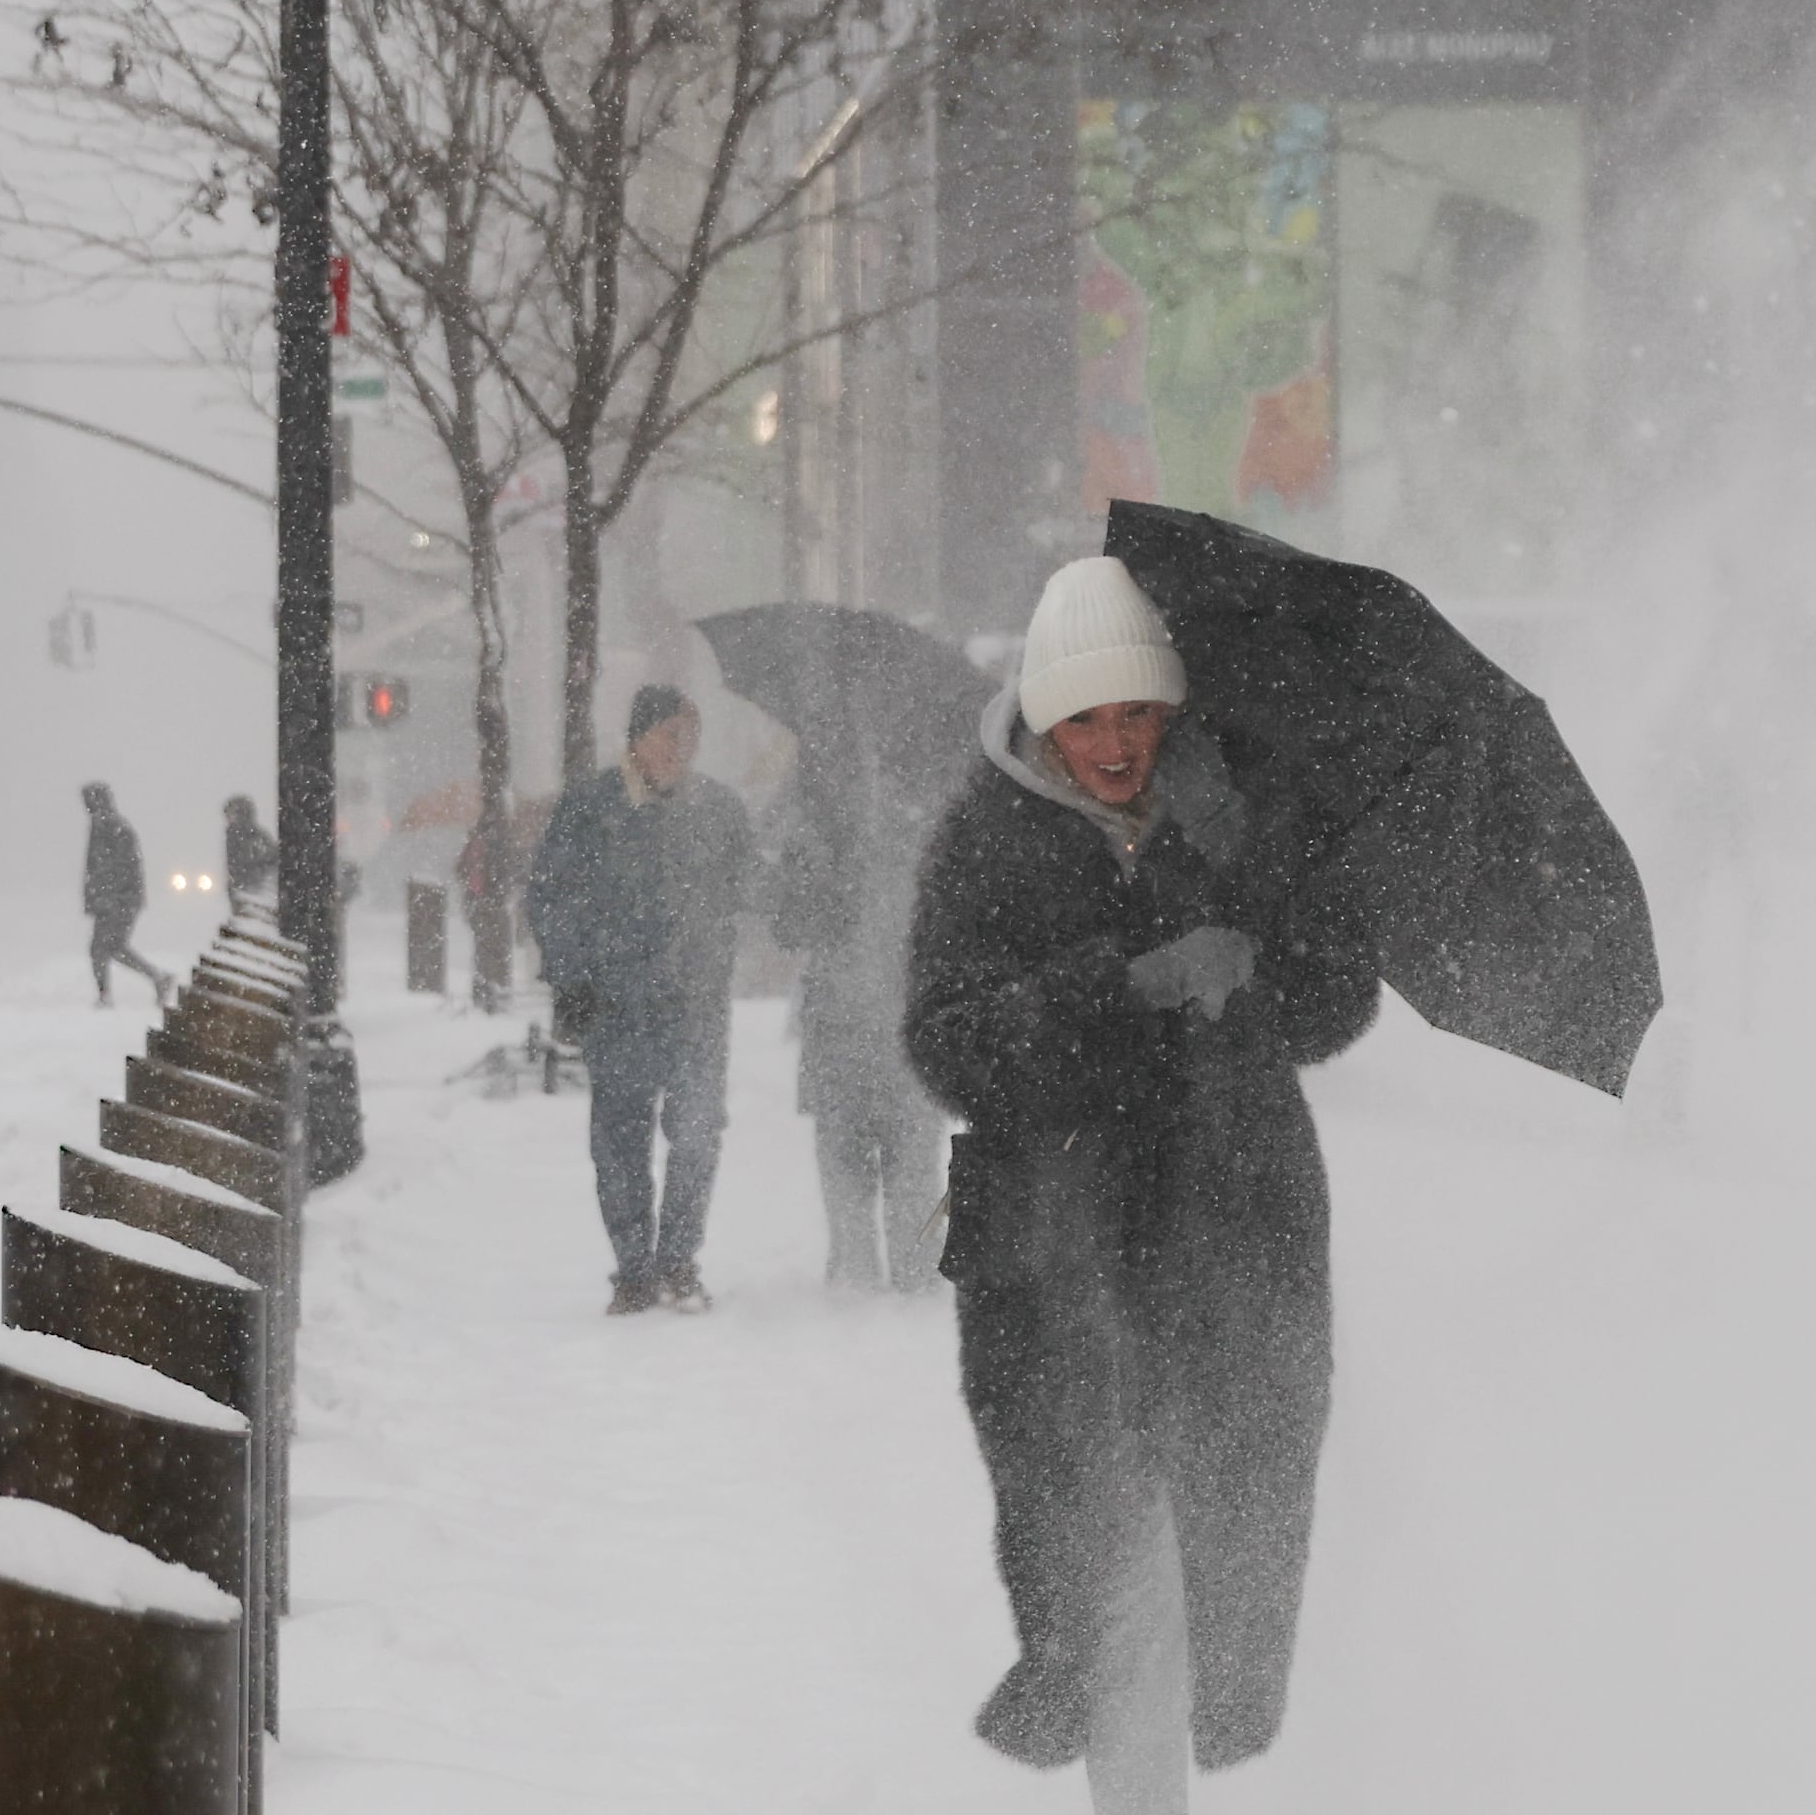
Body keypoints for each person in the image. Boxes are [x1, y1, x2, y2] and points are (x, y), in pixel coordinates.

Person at [903, 555, 1379, 1784]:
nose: (1115, 742)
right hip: (1045, 1250)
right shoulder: (980, 837)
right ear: (1043, 718)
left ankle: (1181, 1736)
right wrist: (1115, 990)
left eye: (1137, 713)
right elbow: (944, 1040)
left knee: (1222, 1545)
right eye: (1086, 718)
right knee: (1104, 1568)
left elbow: (1335, 1007)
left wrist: (1260, 963)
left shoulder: (1242, 816)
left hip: (1234, 1221)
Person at [527, 684, 755, 1315]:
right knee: (620, 1141)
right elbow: (549, 896)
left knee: (697, 1133)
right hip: (618, 1006)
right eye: (671, 734)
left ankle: (678, 1262)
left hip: (697, 1005)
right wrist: (574, 975)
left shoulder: (718, 811)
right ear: (638, 738)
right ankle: (633, 1268)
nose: (683, 749)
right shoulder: (591, 808)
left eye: (692, 735)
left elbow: (752, 889)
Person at [773, 770, 948, 1292]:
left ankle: (903, 1280)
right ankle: (864, 1284)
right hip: (845, 1020)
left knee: (907, 1161)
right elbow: (789, 922)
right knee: (854, 1161)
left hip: (901, 1016)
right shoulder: (816, 820)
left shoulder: (933, 825)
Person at [80, 783, 173, 1010]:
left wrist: (110, 896)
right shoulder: (105, 825)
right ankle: (157, 978)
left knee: (103, 948)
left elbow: (121, 867)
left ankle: (107, 995)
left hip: (118, 900)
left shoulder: (113, 827)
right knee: (112, 947)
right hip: (116, 899)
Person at [221, 794, 279, 903]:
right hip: (250, 889)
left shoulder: (248, 836)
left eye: (230, 814)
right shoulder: (257, 835)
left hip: (253, 891)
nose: (227, 819)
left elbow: (269, 859)